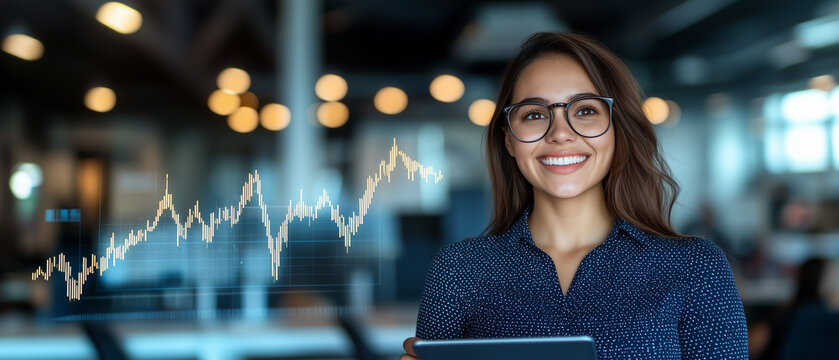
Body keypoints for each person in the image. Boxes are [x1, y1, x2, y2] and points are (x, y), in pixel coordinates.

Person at [400, 32, 748, 359]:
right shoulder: (458, 270)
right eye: (535, 115)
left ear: (617, 128)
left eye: (585, 110)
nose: (560, 134)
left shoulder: (696, 268)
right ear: (509, 139)